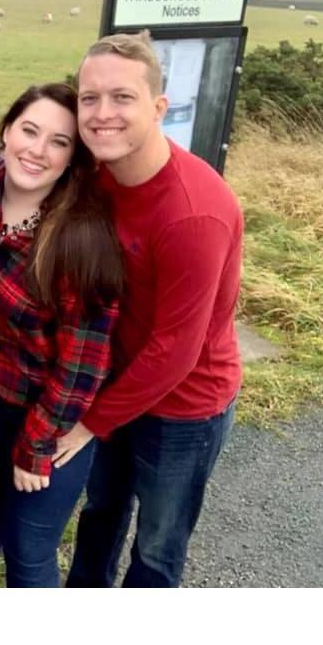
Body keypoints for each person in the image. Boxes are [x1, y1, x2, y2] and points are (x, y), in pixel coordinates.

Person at [54, 31, 244, 588]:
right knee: (100, 515)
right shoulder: (99, 174)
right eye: (89, 98)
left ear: (159, 107)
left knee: (159, 544)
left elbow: (177, 350)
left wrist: (90, 422)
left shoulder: (193, 214)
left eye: (122, 98)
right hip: (118, 385)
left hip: (186, 406)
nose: (102, 114)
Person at [0, 84, 122, 587]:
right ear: (6, 131)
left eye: (59, 142)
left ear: (73, 158)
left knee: (28, 547)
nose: (37, 150)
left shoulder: (79, 236)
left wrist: (35, 444)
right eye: (29, 131)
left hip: (49, 416)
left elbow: (84, 363)